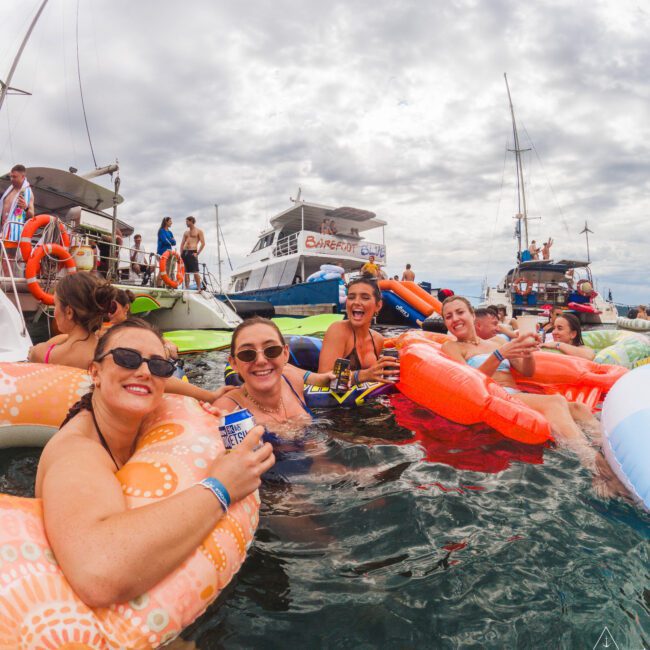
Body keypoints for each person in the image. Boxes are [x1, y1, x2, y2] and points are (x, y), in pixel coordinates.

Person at [33, 318, 274, 607]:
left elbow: (169, 386)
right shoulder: (76, 453)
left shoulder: (134, 414)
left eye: (158, 365)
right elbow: (97, 573)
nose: (145, 372)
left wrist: (205, 400)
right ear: (95, 372)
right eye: (126, 358)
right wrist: (221, 487)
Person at [440, 296, 602, 464]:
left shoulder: (496, 341)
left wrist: (528, 351)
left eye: (460, 312)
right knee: (555, 402)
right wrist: (499, 355)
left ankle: (607, 445)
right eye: (449, 316)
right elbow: (469, 383)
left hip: (516, 395)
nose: (455, 319)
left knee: (579, 408)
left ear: (472, 315)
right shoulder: (452, 347)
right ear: (445, 323)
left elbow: (527, 371)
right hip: (496, 398)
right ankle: (591, 461)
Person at [212, 317, 333, 427]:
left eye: (271, 350)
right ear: (233, 363)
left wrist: (322, 378)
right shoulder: (227, 409)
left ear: (285, 354)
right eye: (247, 354)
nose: (261, 361)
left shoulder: (292, 380)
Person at [29, 272, 119, 369]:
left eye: (55, 305)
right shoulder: (108, 355)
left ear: (69, 312)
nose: (54, 312)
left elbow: (33, 354)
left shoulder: (43, 354)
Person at [318, 278, 398, 383]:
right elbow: (322, 377)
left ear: (378, 306)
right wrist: (362, 375)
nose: (356, 302)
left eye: (365, 298)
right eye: (351, 297)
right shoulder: (338, 330)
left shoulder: (378, 339)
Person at [1, 164, 34, 245]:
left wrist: (25, 208)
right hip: (2, 229)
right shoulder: (9, 190)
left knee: (8, 257)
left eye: (14, 177)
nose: (12, 179)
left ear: (23, 177)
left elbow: (32, 216)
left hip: (13, 231)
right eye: (11, 176)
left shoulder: (28, 193)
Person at [180, 216, 206, 289]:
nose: (186, 223)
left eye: (187, 221)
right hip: (185, 253)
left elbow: (203, 243)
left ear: (191, 221)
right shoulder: (186, 232)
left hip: (193, 252)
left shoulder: (199, 231)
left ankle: (199, 288)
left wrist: (197, 253)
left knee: (195, 271)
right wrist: (181, 254)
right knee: (186, 272)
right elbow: (182, 244)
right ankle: (187, 288)